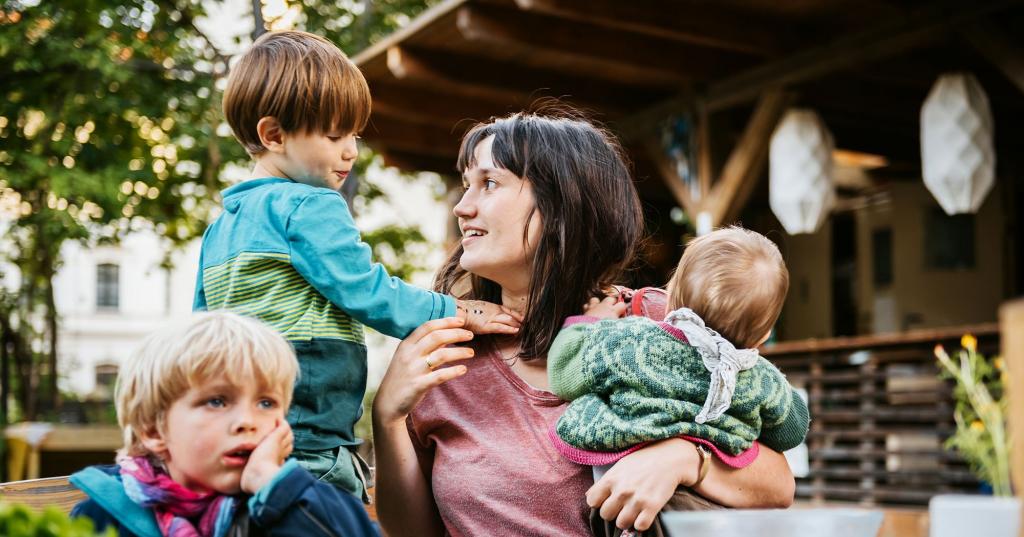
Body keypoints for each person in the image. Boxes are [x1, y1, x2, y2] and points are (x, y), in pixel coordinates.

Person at [372, 111, 797, 537]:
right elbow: (413, 532)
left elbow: (778, 483)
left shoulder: (663, 324)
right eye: (466, 185)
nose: (463, 208)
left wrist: (685, 459)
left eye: (489, 183)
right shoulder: (447, 353)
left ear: (562, 203)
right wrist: (388, 418)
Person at [194, 30, 519, 499]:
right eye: (334, 135)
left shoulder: (222, 225)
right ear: (274, 135)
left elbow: (199, 332)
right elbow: (366, 289)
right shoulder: (310, 205)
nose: (351, 150)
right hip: (306, 436)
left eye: (354, 134)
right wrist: (455, 311)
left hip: (240, 430)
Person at [547, 227, 810, 534]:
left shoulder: (629, 342)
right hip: (712, 510)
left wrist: (590, 322)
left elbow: (564, 370)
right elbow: (791, 429)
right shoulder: (759, 378)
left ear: (669, 297)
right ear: (765, 333)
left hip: (626, 507)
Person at [70, 311, 380, 537]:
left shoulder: (282, 504)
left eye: (266, 403)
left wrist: (275, 484)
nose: (247, 422)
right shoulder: (104, 515)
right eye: (217, 401)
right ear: (154, 430)